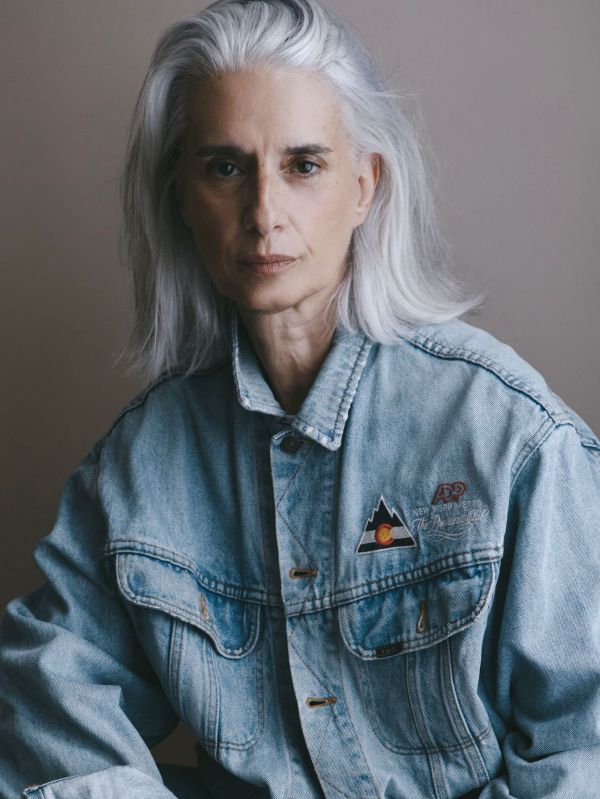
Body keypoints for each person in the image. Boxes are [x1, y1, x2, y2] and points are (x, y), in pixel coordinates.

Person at [1, 0, 599, 796]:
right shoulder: (139, 469)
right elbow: (46, 696)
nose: (263, 214)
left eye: (303, 165)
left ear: (364, 187)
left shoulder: (512, 437)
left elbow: (584, 745)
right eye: (225, 168)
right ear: (181, 194)